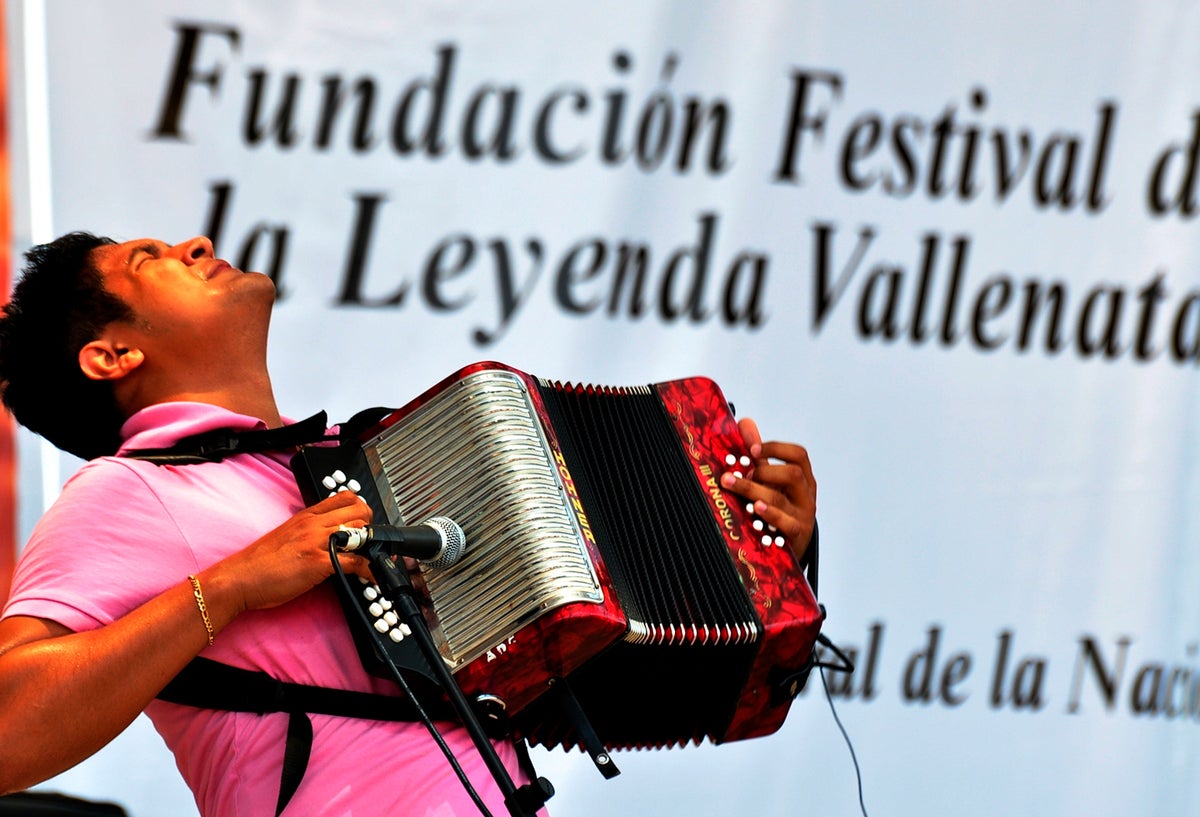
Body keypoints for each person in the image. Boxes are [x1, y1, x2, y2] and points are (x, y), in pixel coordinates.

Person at [0, 233, 819, 817]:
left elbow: (593, 655)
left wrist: (758, 555)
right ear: (112, 356)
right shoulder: (128, 490)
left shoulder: (346, 461)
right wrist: (232, 585)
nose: (196, 243)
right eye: (149, 259)